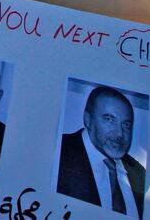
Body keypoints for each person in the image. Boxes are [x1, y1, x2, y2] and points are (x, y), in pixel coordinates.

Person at [56, 85, 145, 218]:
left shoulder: (139, 173)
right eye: (109, 119)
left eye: (126, 125)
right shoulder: (58, 152)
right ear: (88, 119)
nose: (120, 134)